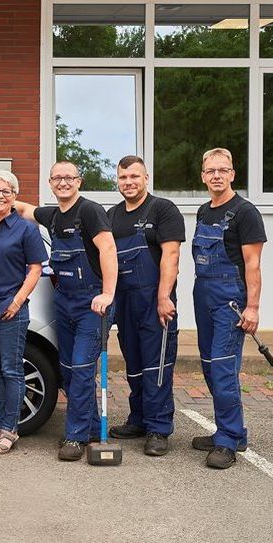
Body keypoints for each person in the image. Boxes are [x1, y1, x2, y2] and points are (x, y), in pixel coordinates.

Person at [4, 161, 117, 461]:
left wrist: (107, 293)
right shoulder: (53, 215)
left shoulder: (90, 212)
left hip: (92, 303)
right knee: (69, 370)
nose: (63, 182)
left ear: (79, 181)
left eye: (69, 177)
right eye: (57, 178)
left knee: (80, 367)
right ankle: (92, 427)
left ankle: (75, 437)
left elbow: (108, 249)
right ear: (50, 183)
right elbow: (26, 210)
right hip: (63, 300)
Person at [191, 148, 266, 469]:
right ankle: (232, 430)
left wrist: (252, 308)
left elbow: (253, 266)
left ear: (233, 174)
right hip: (203, 295)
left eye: (223, 170)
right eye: (211, 171)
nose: (217, 176)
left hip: (230, 301)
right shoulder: (203, 211)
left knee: (223, 369)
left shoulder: (245, 213)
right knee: (209, 366)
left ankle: (227, 441)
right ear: (203, 176)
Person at [106, 156, 185, 456]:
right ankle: (138, 419)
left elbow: (171, 256)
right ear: (118, 180)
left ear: (146, 178)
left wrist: (164, 297)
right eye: (124, 177)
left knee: (157, 366)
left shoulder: (162, 209)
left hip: (155, 302)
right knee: (135, 366)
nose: (129, 182)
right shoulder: (112, 216)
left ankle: (158, 428)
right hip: (125, 302)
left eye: (134, 177)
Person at [0, 171, 47, 455]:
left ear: (15, 196)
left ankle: (9, 429)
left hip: (11, 311)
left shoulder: (25, 229)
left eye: (6, 191)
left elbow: (35, 268)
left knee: (11, 370)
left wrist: (17, 301)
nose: (0, 195)